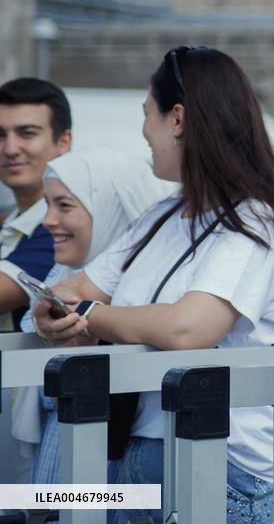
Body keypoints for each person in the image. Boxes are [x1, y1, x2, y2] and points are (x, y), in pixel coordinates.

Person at [33, 46, 274, 524]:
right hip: (139, 459)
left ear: (177, 119)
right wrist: (53, 316)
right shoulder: (163, 214)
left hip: (221, 469)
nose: (143, 132)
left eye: (146, 114)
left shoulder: (254, 221)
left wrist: (89, 316)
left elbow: (189, 329)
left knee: (45, 506)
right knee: (45, 507)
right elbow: (74, 291)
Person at [12, 146, 172, 484]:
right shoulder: (67, 278)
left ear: (108, 208)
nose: (48, 220)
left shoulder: (138, 307)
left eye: (64, 205)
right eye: (48, 204)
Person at [0, 78, 72, 332]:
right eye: (0, 135)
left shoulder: (61, 229)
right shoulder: (12, 224)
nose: (10, 149)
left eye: (27, 133)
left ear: (63, 142)